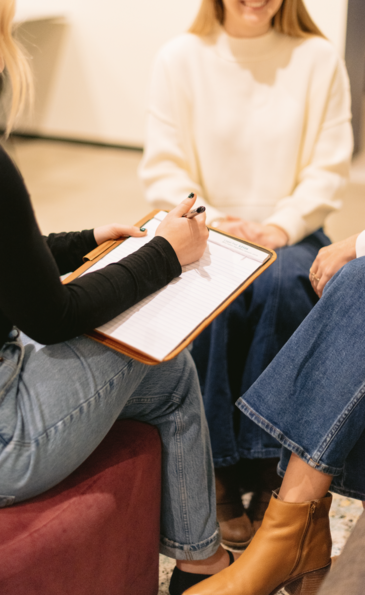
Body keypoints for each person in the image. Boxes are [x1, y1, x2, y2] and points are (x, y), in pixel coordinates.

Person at [0, 2, 235, 593]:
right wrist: (166, 255)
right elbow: (51, 316)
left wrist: (85, 241)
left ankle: (201, 561)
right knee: (165, 362)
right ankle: (202, 562)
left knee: (163, 374)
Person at [139, 0, 353, 548]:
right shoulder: (180, 59)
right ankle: (218, 468)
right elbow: (164, 166)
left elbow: (328, 167)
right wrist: (209, 215)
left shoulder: (316, 57)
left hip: (291, 232)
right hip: (206, 228)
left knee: (284, 284)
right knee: (211, 287)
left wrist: (280, 227)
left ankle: (264, 468)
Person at [182, 230, 365, 595]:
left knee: (343, 282)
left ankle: (286, 532)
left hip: (292, 228)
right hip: (212, 223)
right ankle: (243, 485)